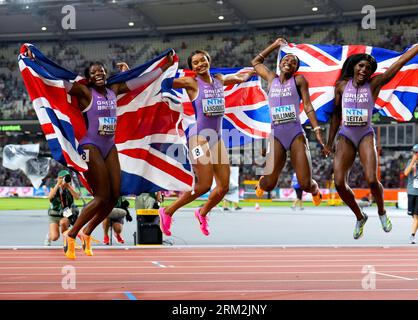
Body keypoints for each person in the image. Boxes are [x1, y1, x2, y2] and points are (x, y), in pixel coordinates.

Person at [25, 47, 174, 259]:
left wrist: (164, 67)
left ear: (106, 73)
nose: (99, 74)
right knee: (101, 196)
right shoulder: (85, 92)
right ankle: (72, 235)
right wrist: (36, 64)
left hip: (109, 147)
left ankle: (87, 232)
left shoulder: (115, 89)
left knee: (113, 197)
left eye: (102, 71)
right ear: (89, 78)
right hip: (91, 146)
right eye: (94, 73)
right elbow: (56, 81)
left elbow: (142, 81)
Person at [324, 36, 418, 239]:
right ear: (354, 67)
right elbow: (336, 116)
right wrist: (329, 143)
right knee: (339, 182)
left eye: (368, 68)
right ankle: (360, 216)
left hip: (365, 134)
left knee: (371, 180)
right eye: (361, 66)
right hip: (345, 135)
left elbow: (399, 63)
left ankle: (382, 212)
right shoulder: (341, 86)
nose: (364, 70)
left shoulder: (374, 84)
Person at [158, 50, 254, 236]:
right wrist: (167, 68)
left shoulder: (219, 79)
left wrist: (253, 71)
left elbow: (238, 78)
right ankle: (168, 211)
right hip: (198, 138)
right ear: (192, 67)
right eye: (195, 62)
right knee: (203, 185)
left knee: (224, 186)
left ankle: (202, 212)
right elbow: (164, 82)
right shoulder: (191, 82)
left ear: (209, 61)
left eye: (203, 60)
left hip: (216, 138)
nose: (200, 64)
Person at [251, 38, 324, 205]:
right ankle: (263, 180)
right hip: (276, 135)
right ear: (280, 63)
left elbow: (307, 105)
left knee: (305, 184)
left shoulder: (299, 81)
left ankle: (315, 189)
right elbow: (255, 61)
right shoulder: (271, 78)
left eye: (293, 62)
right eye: (286, 59)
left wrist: (317, 129)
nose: (289, 62)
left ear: (295, 68)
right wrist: (275, 45)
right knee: (268, 185)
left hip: (295, 134)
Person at [45, 170, 80, 246]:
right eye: (64, 178)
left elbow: (77, 197)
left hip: (66, 212)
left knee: (63, 223)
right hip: (54, 213)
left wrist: (69, 186)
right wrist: (58, 184)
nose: (66, 180)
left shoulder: (70, 187)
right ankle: (49, 235)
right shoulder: (54, 186)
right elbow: (50, 197)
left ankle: (66, 241)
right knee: (54, 237)